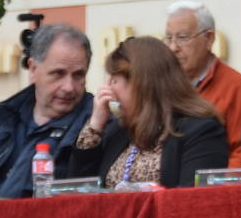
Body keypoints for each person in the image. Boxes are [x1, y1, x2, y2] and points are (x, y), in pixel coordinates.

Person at [0, 24, 94, 197]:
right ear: (33, 69)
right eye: (58, 74)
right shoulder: (0, 118)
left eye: (78, 75)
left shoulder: (95, 127)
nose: (69, 87)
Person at [70, 36, 228, 189]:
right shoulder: (119, 131)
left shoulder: (201, 132)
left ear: (139, 84)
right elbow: (81, 193)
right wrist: (95, 126)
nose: (108, 89)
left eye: (114, 81)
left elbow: (193, 202)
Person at [165, 0, 241, 168]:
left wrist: (214, 188)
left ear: (209, 38)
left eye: (182, 38)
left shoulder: (238, 87)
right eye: (169, 38)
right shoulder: (163, 86)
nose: (173, 47)